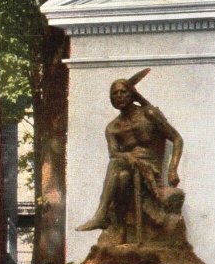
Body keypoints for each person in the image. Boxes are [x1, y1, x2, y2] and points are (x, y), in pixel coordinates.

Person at [76, 70, 183, 233]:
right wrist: (128, 156)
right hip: (128, 168)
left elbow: (176, 139)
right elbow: (113, 154)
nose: (119, 96)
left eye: (123, 92)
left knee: (118, 165)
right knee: (123, 176)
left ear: (132, 94)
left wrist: (173, 169)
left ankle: (101, 215)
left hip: (151, 170)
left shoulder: (149, 114)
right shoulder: (113, 127)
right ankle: (118, 230)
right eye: (115, 94)